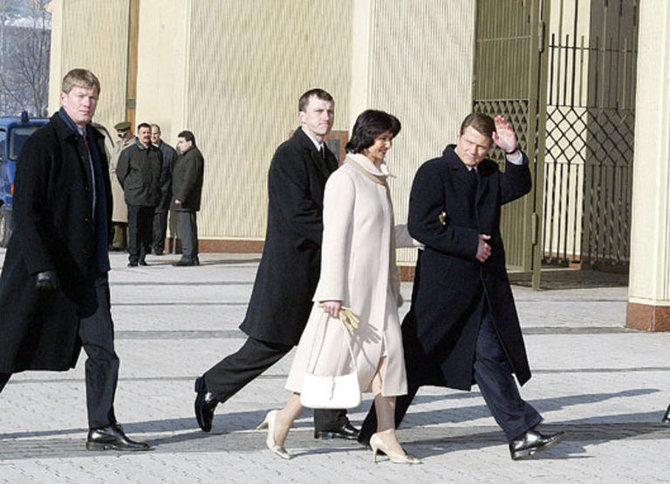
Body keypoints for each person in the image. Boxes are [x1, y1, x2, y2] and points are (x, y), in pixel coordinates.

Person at [357, 113, 566, 460]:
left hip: (481, 289)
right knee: (412, 359)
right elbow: (423, 227)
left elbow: (518, 187)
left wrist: (513, 153)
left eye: (482, 147)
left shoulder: (486, 174)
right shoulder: (434, 171)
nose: (473, 151)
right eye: (468, 143)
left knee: (490, 357)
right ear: (458, 136)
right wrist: (470, 243)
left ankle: (520, 433)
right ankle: (375, 432)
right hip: (442, 288)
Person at [193, 89, 358, 441]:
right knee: (270, 343)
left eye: (329, 111)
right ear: (301, 115)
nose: (325, 117)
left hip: (317, 267)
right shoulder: (289, 155)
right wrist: (341, 234)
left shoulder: (327, 157)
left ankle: (330, 420)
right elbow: (298, 213)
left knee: (329, 342)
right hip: (291, 268)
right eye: (317, 111)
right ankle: (212, 386)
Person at [258, 110, 421, 464]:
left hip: (379, 293)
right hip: (347, 296)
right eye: (384, 138)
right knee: (325, 365)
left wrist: (422, 234)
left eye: (391, 138)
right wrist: (332, 292)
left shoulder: (379, 179)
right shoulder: (344, 179)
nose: (388, 145)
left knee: (389, 361)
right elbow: (334, 238)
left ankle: (386, 433)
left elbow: (382, 234)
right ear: (367, 137)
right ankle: (282, 420)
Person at [0, 68, 150, 451]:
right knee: (9, 345)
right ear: (64, 97)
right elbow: (26, 211)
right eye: (81, 96)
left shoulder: (92, 142)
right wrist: (41, 265)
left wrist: (101, 259)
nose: (87, 103)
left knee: (103, 350)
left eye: (93, 97)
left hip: (89, 270)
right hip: (44, 268)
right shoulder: (43, 143)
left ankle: (102, 425)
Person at [116, 122, 165, 267]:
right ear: (138, 134)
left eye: (149, 133)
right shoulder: (129, 152)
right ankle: (133, 257)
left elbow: (160, 173)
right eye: (144, 133)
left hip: (151, 197)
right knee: (135, 228)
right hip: (135, 197)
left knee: (147, 229)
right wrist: (130, 188)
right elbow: (121, 173)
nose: (147, 135)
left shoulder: (157, 153)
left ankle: (143, 256)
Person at [171, 130, 204, 266]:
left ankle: (188, 256)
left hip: (187, 200)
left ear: (190, 142)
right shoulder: (186, 155)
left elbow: (189, 179)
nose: (179, 145)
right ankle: (191, 256)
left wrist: (181, 196)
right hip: (185, 199)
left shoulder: (193, 156)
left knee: (187, 228)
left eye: (181, 142)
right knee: (187, 227)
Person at [150, 124, 177, 255]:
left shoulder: (169, 152)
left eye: (155, 133)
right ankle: (147, 245)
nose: (153, 136)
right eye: (151, 133)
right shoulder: (143, 150)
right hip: (147, 192)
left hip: (163, 191)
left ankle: (158, 247)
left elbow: (174, 174)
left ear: (160, 134)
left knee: (160, 220)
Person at [108, 121, 134, 251]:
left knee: (127, 215)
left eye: (124, 134)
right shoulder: (118, 145)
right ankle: (118, 242)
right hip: (116, 183)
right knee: (117, 215)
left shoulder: (134, 144)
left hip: (127, 182)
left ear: (129, 132)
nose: (122, 138)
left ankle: (130, 243)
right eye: (120, 135)